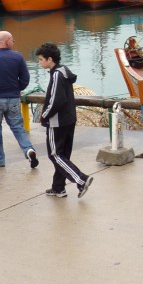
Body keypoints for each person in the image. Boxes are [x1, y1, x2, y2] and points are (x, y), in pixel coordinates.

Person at [36, 42, 93, 199]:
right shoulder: (64, 71)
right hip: (69, 119)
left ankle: (81, 180)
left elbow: (56, 100)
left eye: (41, 59)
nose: (39, 62)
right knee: (63, 156)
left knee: (55, 155)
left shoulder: (56, 75)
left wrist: (44, 116)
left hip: (57, 121)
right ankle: (58, 187)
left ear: (49, 59)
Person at [0, 31, 39, 168]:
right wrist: (17, 89)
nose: (13, 42)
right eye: (13, 40)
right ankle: (28, 149)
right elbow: (25, 78)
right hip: (13, 98)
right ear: (7, 41)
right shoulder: (17, 57)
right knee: (18, 127)